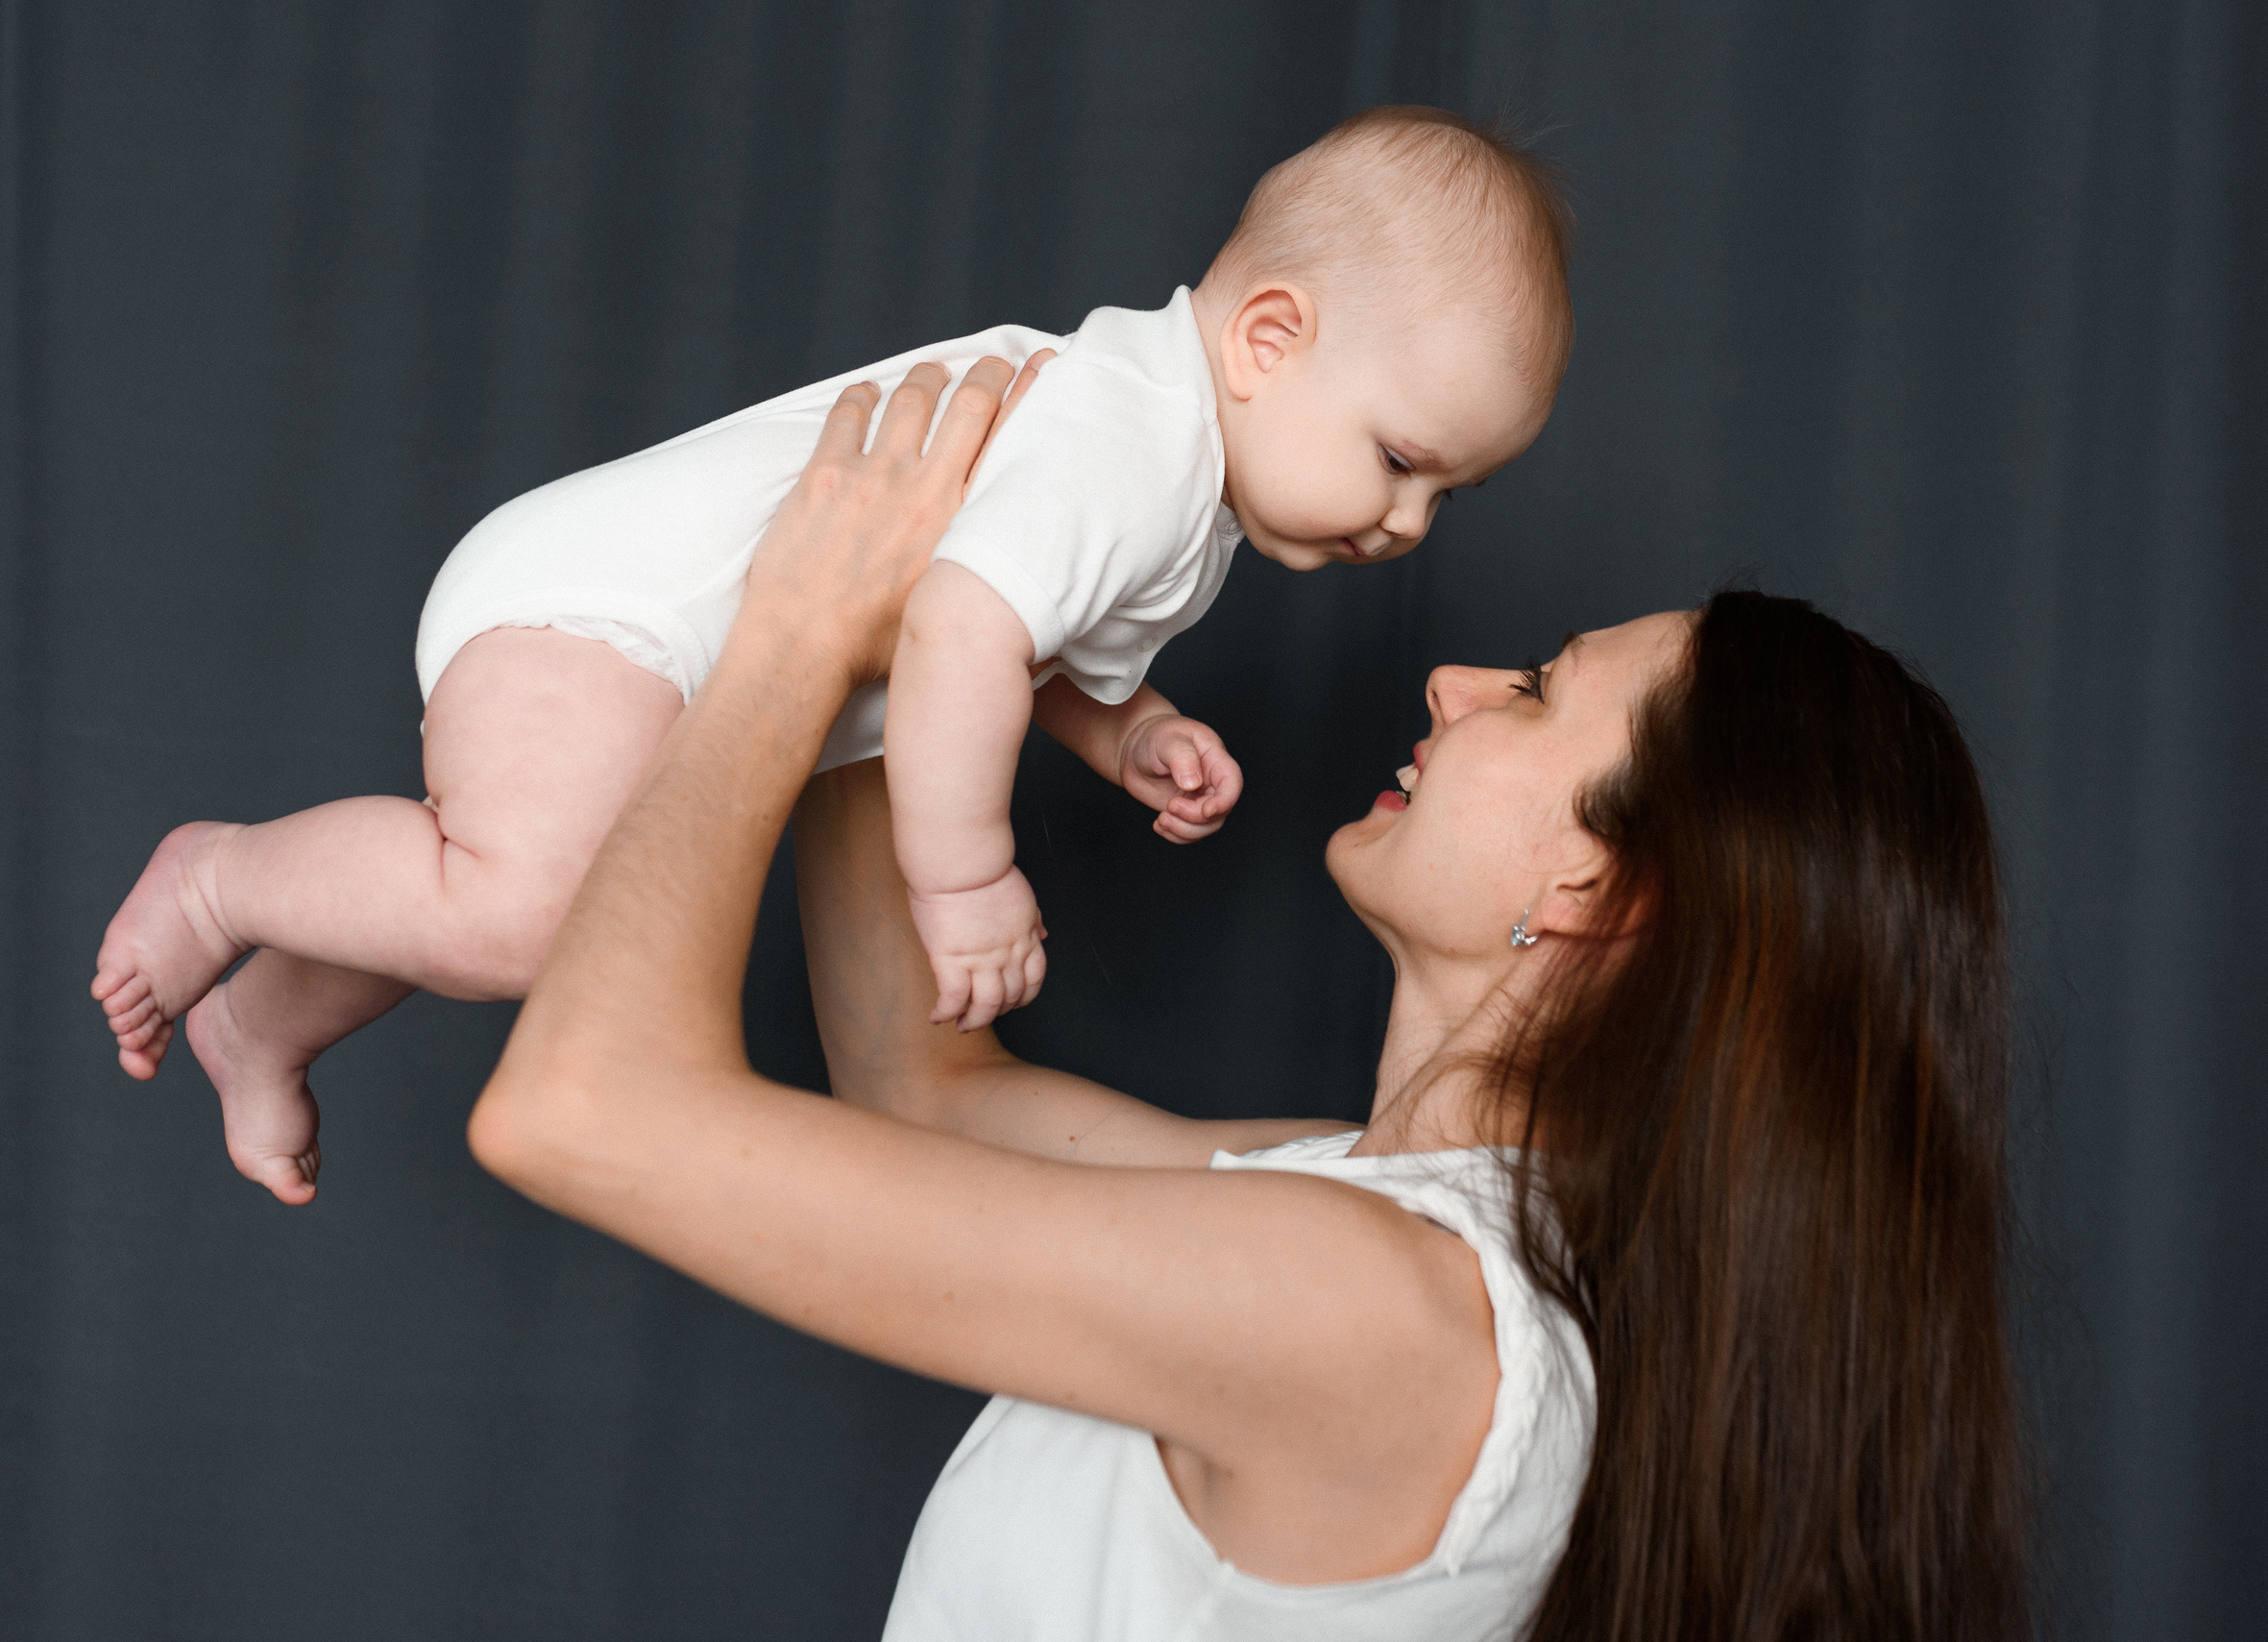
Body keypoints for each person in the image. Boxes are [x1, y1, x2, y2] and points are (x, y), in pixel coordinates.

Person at [468, 357, 2034, 1640]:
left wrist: (795, 633)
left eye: (1541, 691)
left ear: (1594, 892)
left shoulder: (1389, 1312)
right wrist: (930, 626)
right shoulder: (1381, 1215)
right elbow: (915, 1084)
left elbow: (580, 1108)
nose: (1455, 683)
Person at [87, 104, 1574, 1205]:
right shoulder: (1130, 445)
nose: (1410, 522)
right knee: (524, 915)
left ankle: (263, 1017)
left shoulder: (1189, 486)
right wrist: (965, 874)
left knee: (509, 900)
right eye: (1399, 460)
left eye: (1449, 494)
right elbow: (962, 626)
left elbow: (1017, 633)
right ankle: (218, 875)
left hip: (673, 653)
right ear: (1267, 336)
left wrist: (1125, 732)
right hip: (608, 602)